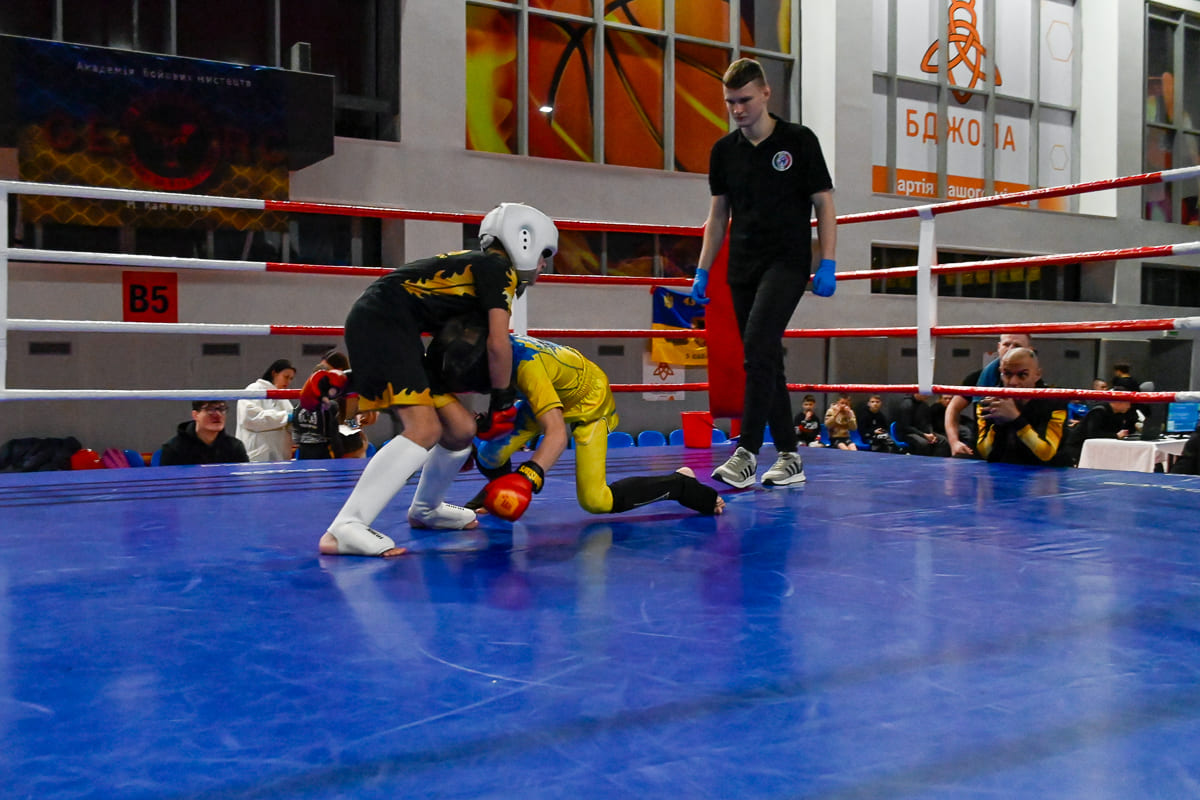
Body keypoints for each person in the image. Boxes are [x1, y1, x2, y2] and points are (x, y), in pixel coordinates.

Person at [310, 202, 559, 557]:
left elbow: (451, 347)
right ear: (525, 239)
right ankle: (345, 527)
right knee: (424, 429)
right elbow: (497, 344)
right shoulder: (498, 269)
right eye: (544, 253)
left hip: (394, 330)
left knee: (460, 429)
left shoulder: (479, 266)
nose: (544, 264)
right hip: (385, 324)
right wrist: (503, 399)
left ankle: (426, 509)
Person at [689, 57, 836, 489]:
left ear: (766, 93)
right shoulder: (723, 152)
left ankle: (747, 453)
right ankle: (790, 457)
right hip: (742, 268)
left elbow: (824, 203)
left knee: (756, 347)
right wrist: (702, 270)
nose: (737, 109)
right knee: (766, 357)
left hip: (787, 262)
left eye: (745, 100)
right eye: (730, 102)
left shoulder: (799, 140)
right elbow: (718, 216)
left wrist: (828, 261)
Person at [439, 328, 723, 521]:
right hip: (551, 392)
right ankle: (493, 499)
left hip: (589, 398)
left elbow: (556, 434)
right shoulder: (493, 351)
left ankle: (681, 484)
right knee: (489, 453)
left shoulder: (527, 368)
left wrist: (526, 477)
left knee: (595, 500)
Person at [975, 347, 1070, 467]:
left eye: (1022, 375)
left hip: (1047, 473)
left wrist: (1016, 419)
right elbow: (984, 453)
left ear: (1037, 375)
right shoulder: (988, 402)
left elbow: (1046, 454)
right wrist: (998, 424)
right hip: (1002, 472)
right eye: (1007, 374)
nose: (1013, 382)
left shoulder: (1054, 401)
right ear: (1000, 372)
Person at [944, 332, 1034, 457]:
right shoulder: (979, 378)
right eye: (1006, 344)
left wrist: (1014, 416)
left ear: (1029, 350)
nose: (1010, 349)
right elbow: (953, 408)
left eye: (1017, 346)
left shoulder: (1035, 383)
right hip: (983, 448)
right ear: (999, 347)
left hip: (1023, 451)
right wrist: (954, 442)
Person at [292, 350, 376, 459]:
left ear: (339, 370)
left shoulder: (350, 389)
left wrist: (357, 425)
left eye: (327, 370)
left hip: (348, 446)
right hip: (330, 447)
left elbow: (368, 417)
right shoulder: (321, 391)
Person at [235, 359, 297, 462]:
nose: (288, 382)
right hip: (256, 457)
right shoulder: (254, 390)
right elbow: (250, 418)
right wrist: (285, 417)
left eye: (291, 379)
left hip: (280, 458)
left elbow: (293, 425)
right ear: (274, 373)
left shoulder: (284, 399)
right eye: (286, 377)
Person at [160, 401, 250, 466]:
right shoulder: (173, 449)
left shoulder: (235, 447)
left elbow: (243, 481)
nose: (218, 415)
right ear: (195, 415)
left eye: (222, 409)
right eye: (210, 409)